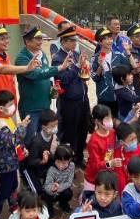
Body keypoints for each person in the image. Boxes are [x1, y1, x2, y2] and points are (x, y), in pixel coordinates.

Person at [0, 23, 40, 213]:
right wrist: (27, 68)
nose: (6, 41)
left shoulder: (6, 57)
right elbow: (4, 71)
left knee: (12, 148)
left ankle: (8, 186)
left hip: (8, 115)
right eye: (1, 38)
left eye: (7, 37)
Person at [15, 26, 72, 146]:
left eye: (41, 38)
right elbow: (36, 75)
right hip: (31, 108)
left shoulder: (42, 54)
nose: (41, 41)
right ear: (28, 41)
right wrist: (59, 67)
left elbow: (46, 75)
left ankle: (42, 162)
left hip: (44, 106)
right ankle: (28, 164)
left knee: (45, 138)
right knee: (30, 140)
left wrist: (52, 89)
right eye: (37, 39)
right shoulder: (22, 58)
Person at [0, 90, 29, 219]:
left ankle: (12, 204)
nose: (13, 107)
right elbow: (11, 140)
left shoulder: (7, 119)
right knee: (3, 190)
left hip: (12, 162)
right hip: (4, 165)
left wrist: (22, 149)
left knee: (13, 185)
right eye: (10, 105)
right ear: (0, 109)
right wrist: (22, 127)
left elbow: (16, 141)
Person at [52, 26, 92, 165]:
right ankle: (68, 162)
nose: (75, 43)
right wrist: (76, 67)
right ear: (63, 41)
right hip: (69, 102)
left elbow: (79, 75)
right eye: (71, 40)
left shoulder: (74, 55)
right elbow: (63, 80)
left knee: (82, 129)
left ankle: (79, 158)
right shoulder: (58, 58)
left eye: (75, 40)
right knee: (69, 132)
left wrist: (84, 69)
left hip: (82, 99)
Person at [23, 110, 59, 209]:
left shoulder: (54, 137)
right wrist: (42, 161)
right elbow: (30, 162)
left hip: (43, 167)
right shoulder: (36, 142)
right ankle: (27, 185)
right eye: (52, 126)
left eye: (56, 125)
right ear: (44, 127)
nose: (55, 128)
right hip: (30, 169)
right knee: (37, 191)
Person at [83, 105, 120, 200]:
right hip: (93, 178)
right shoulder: (94, 141)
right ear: (97, 122)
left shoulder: (112, 132)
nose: (110, 121)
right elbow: (96, 166)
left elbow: (123, 130)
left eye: (110, 118)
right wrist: (110, 163)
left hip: (107, 173)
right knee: (92, 200)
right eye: (106, 119)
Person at [43, 145, 76, 216]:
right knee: (46, 196)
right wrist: (52, 189)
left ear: (69, 160)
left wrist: (59, 188)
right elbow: (47, 186)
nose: (60, 166)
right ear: (55, 159)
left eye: (64, 163)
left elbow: (69, 182)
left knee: (68, 193)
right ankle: (50, 210)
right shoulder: (51, 170)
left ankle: (63, 204)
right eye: (58, 162)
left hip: (62, 189)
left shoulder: (72, 166)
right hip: (51, 191)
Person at [92, 27, 118, 117]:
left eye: (110, 38)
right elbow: (95, 78)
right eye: (106, 39)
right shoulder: (95, 57)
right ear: (100, 42)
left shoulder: (119, 55)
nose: (109, 41)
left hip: (118, 95)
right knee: (104, 123)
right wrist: (100, 66)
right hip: (104, 97)